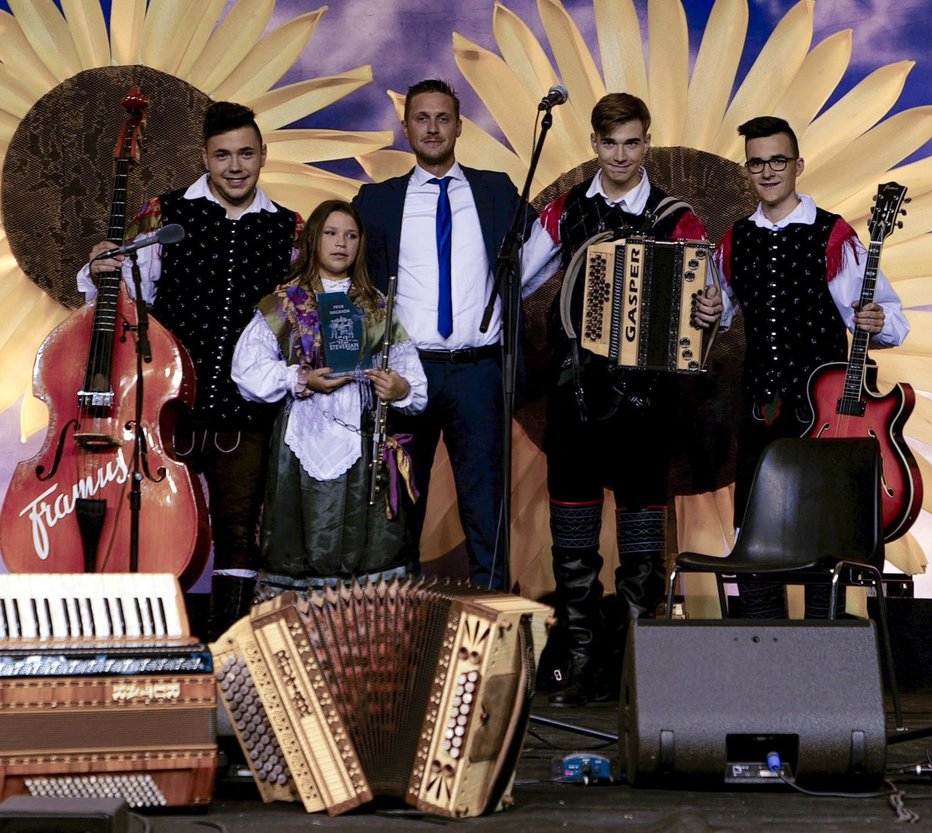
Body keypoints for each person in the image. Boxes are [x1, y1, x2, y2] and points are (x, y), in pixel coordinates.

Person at [79, 101, 302, 640]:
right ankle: (155, 637)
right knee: (154, 520)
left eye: (246, 153)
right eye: (222, 154)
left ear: (263, 156)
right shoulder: (165, 213)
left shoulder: (289, 229)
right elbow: (129, 297)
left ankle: (228, 646)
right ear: (204, 156)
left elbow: (298, 321)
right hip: (165, 406)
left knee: (237, 527)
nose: (234, 166)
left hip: (247, 411)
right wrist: (99, 267)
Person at [530, 93, 723, 706]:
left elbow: (708, 298)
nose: (620, 154)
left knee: (642, 527)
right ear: (594, 145)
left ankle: (642, 662)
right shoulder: (566, 210)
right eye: (609, 143)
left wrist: (709, 307)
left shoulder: (679, 217)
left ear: (647, 143)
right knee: (575, 526)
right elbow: (518, 278)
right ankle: (582, 654)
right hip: (577, 392)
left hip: (650, 397)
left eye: (632, 142)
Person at [352, 79, 551, 591]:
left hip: (478, 369)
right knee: (399, 505)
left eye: (444, 118)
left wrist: (501, 299)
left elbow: (542, 251)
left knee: (486, 505)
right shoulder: (374, 201)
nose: (433, 128)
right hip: (406, 373)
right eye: (422, 118)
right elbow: (354, 281)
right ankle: (397, 619)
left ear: (460, 126)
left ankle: (496, 625)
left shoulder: (495, 189)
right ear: (407, 127)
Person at [717, 115, 910, 618]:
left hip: (823, 411)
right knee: (756, 528)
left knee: (821, 530)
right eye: (757, 162)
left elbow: (887, 320)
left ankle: (823, 652)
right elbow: (716, 312)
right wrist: (709, 313)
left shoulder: (832, 234)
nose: (768, 171)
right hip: (760, 406)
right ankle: (762, 647)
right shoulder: (735, 238)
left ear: (798, 165)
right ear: (747, 170)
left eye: (778, 160)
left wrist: (874, 319)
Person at [230, 200, 427, 595]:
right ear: (312, 239)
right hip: (300, 443)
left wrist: (399, 388)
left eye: (351, 235)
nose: (341, 243)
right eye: (331, 234)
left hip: (363, 444)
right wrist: (299, 378)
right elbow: (245, 369)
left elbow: (414, 384)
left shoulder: (375, 307)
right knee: (300, 536)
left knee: (366, 541)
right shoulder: (286, 304)